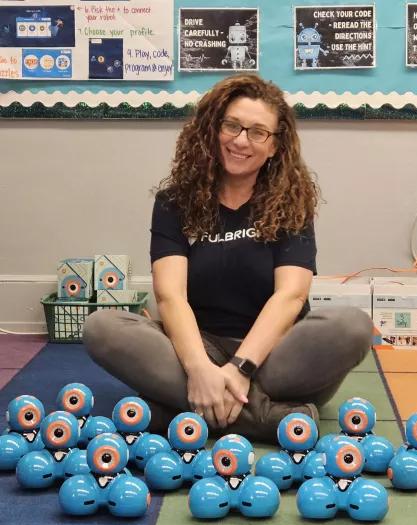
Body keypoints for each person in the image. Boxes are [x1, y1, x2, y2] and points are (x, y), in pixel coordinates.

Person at [83, 74, 372, 442]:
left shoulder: (291, 201)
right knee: (101, 328)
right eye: (231, 125)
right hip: (195, 348)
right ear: (211, 129)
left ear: (275, 146)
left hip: (276, 355)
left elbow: (291, 297)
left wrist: (240, 367)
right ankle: (270, 418)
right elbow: (170, 296)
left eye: (257, 132)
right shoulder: (175, 202)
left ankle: (178, 410)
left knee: (351, 326)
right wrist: (200, 368)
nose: (240, 140)